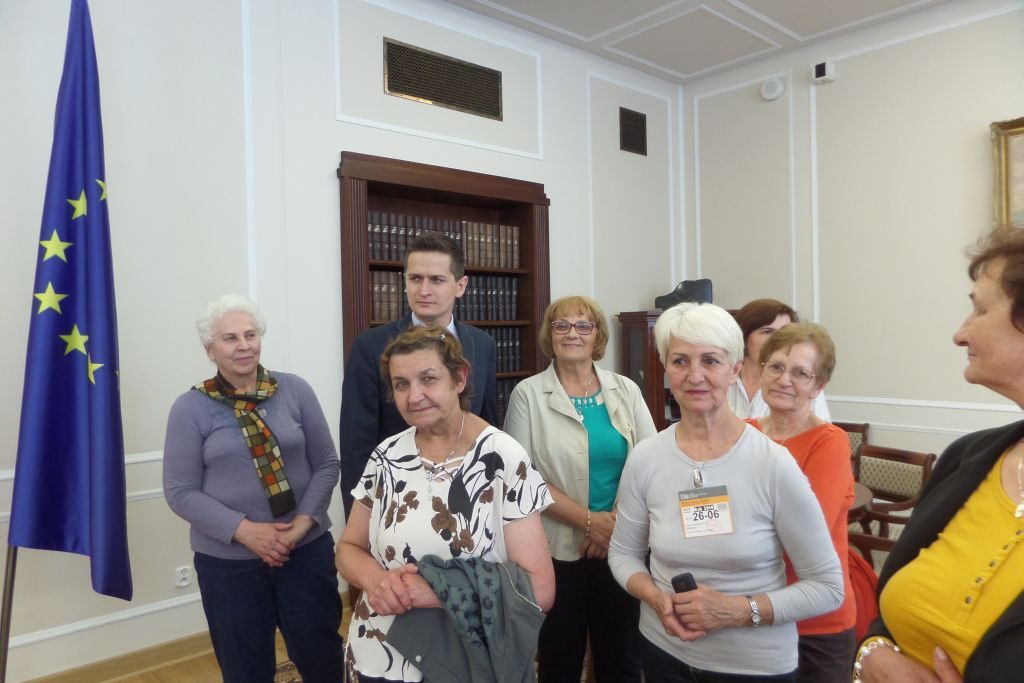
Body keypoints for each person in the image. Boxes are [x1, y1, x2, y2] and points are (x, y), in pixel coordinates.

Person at [608, 302, 843, 682]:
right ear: (666, 368)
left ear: (736, 369)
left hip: (752, 666)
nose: (695, 376)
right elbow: (623, 554)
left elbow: (828, 587)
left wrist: (736, 611)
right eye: (680, 361)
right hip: (663, 653)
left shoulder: (772, 464)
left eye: (711, 361)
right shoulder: (646, 457)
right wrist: (654, 597)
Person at [337, 325, 555, 683]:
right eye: (401, 384)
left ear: (459, 378)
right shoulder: (386, 456)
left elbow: (540, 589)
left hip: (464, 661)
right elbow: (348, 548)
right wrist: (376, 580)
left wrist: (437, 592)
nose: (414, 396)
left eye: (428, 379)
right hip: (378, 654)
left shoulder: (501, 458)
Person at [856, 225, 1024, 683]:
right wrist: (872, 655)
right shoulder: (968, 457)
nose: (960, 334)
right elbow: (889, 613)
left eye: (980, 309)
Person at [163, 295, 343, 683]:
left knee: (322, 657)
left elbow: (327, 463)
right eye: (230, 338)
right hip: (228, 565)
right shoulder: (189, 408)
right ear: (210, 350)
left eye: (250, 334)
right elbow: (180, 491)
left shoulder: (295, 390)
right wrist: (246, 531)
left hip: (305, 550)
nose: (243, 345)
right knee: (245, 669)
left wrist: (300, 526)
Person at [504, 295, 657, 682]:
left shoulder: (626, 390)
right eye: (562, 325)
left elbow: (652, 463)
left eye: (583, 325)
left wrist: (614, 526)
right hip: (554, 550)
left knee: (622, 661)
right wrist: (590, 523)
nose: (572, 333)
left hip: (622, 547)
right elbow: (521, 477)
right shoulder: (528, 395)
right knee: (559, 660)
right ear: (550, 334)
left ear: (597, 335)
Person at [340, 232, 498, 516]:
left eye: (436, 280)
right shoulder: (370, 346)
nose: (424, 290)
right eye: (415, 278)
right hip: (400, 500)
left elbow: (489, 429)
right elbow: (356, 449)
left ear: (460, 286)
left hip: (470, 502)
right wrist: (363, 523)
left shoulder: (482, 344)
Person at [749, 322, 856, 682]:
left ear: (818, 386)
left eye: (800, 373)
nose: (784, 380)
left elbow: (806, 534)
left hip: (816, 623)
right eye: (776, 367)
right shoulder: (742, 432)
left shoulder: (830, 442)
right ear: (761, 370)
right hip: (751, 614)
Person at [728, 299, 831, 421]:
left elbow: (822, 429)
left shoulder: (805, 386)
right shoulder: (723, 377)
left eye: (785, 334)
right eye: (768, 332)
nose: (777, 341)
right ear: (744, 335)